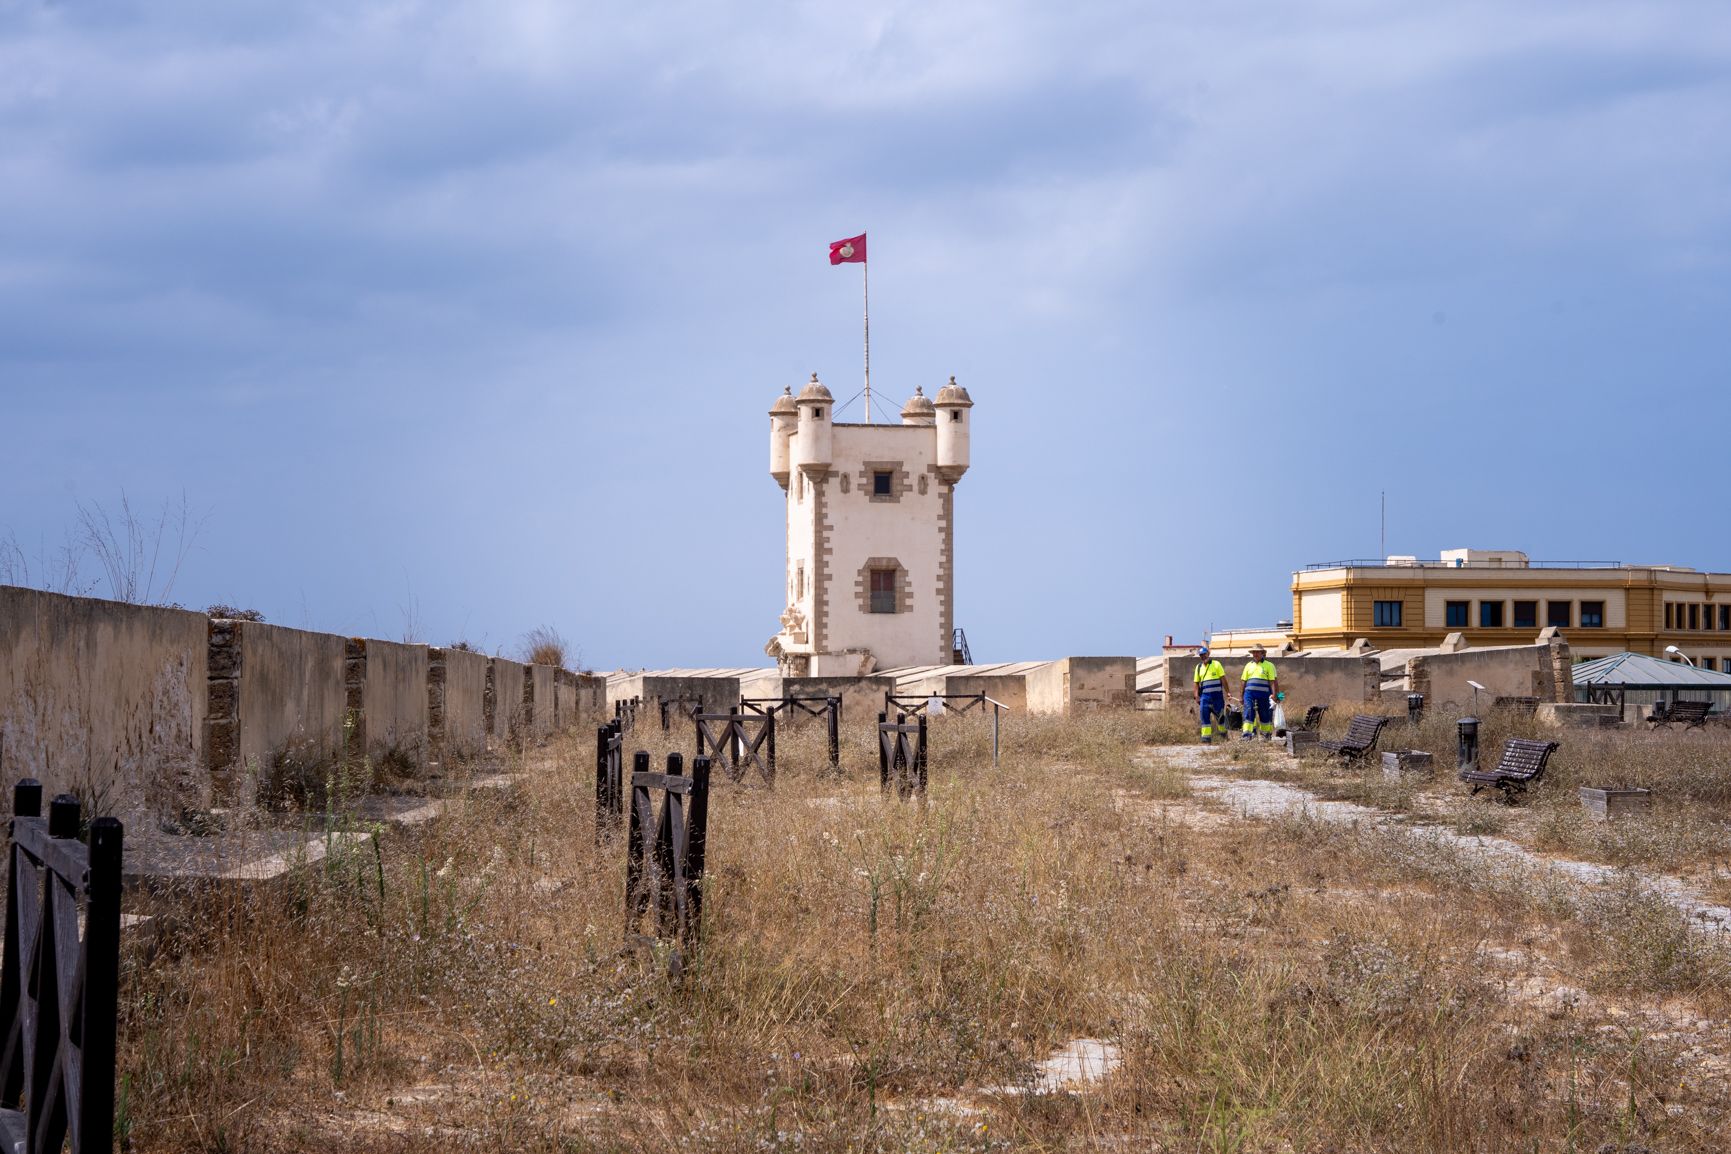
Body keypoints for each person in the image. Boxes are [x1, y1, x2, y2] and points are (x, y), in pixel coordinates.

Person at [1240, 645, 1281, 741]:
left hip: (1264, 695)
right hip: (1249, 694)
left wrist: (1275, 695)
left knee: (1265, 713)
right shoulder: (1248, 665)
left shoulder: (1269, 665)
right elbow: (1243, 681)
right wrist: (1241, 696)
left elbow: (1272, 681)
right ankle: (1247, 734)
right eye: (1254, 652)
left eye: (1257, 652)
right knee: (1248, 710)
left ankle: (1266, 735)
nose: (1255, 654)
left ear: (1262, 653)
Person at [1193, 646, 1229, 744]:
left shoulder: (1216, 664)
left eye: (1204, 654)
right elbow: (1196, 683)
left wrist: (1228, 692)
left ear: (1208, 654)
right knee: (1204, 717)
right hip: (1205, 697)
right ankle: (1206, 739)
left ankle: (1223, 737)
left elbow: (1223, 680)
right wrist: (1196, 696)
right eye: (1201, 655)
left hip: (1217, 697)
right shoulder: (1198, 667)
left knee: (1220, 717)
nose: (1203, 656)